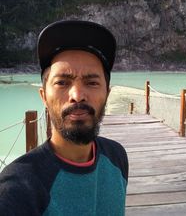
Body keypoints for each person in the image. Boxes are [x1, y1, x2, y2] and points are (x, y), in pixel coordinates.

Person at [0, 20, 128, 216]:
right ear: (44, 96)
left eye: (92, 82)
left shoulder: (117, 157)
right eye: (62, 82)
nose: (77, 95)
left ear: (107, 94)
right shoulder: (17, 190)